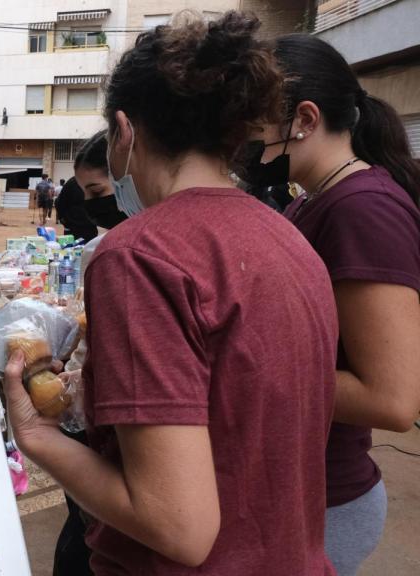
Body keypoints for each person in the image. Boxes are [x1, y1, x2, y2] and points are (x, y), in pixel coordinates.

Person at [5, 12, 337, 575]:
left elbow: (177, 525)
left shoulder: (139, 254)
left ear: (124, 131)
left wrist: (36, 437)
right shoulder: (287, 235)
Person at [241, 34, 420, 576]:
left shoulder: (362, 208)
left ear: (305, 119)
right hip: (295, 489)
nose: (244, 148)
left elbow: (392, 400)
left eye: (253, 132)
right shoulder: (315, 199)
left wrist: (238, 362)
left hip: (326, 501)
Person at [52, 130, 126, 576]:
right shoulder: (105, 248)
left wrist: (35, 436)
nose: (92, 205)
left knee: (87, 537)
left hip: (119, 441)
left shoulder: (121, 255)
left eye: (98, 191)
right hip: (103, 426)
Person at [55, 171, 99, 243]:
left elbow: (59, 202)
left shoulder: (72, 182)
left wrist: (64, 220)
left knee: (73, 251)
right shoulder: (94, 183)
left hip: (79, 227)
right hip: (84, 227)